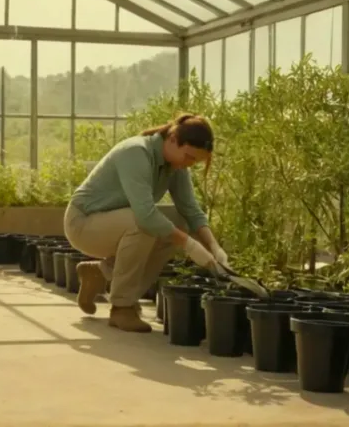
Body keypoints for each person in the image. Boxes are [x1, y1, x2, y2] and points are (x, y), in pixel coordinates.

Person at [63, 113, 228, 333]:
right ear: (172, 139)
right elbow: (145, 215)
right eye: (188, 157)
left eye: (194, 161)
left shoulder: (175, 166)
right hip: (82, 224)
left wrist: (214, 247)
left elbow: (190, 211)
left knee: (176, 222)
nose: (188, 164)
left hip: (113, 224)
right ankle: (122, 307)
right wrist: (190, 245)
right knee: (143, 223)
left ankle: (101, 273)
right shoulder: (136, 153)